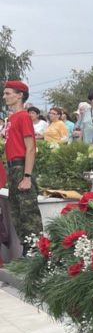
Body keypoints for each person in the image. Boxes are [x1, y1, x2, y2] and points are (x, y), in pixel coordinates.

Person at [2, 80, 44, 254]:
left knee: (28, 212)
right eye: (4, 93)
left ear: (20, 95)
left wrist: (27, 176)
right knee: (17, 212)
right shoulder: (11, 118)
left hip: (20, 167)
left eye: (8, 93)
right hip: (12, 167)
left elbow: (30, 148)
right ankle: (27, 248)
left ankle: (35, 249)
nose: (4, 96)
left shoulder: (24, 117)